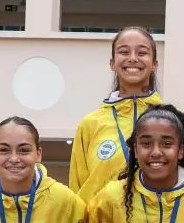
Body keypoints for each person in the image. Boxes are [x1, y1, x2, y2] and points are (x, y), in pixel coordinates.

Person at [69, 26, 163, 204]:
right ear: (112, 63)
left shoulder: (172, 121)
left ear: (154, 65)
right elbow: (77, 189)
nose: (133, 58)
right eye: (124, 52)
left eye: (142, 53)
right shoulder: (91, 123)